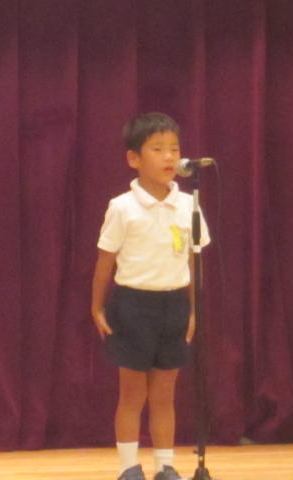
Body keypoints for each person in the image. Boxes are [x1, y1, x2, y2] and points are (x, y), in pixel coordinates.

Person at [91, 112, 211, 480]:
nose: (169, 157)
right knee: (132, 394)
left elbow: (193, 263)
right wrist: (96, 307)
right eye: (157, 149)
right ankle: (129, 467)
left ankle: (165, 466)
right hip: (133, 305)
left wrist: (192, 311)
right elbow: (105, 260)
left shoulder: (188, 204)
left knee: (164, 394)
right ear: (134, 158)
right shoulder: (122, 207)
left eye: (174, 148)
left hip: (174, 305)